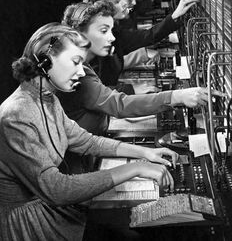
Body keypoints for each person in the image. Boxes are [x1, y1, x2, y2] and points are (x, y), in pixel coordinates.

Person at [0, 22, 181, 241]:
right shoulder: (15, 115)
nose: (80, 72)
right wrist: (134, 169)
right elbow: (55, 189)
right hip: (31, 224)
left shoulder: (48, 99)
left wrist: (145, 153)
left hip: (52, 209)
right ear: (44, 63)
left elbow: (86, 141)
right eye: (76, 62)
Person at [60, 1, 224, 137]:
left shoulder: (82, 64)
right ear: (79, 33)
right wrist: (177, 96)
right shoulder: (76, 72)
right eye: (103, 31)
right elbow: (118, 105)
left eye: (110, 30)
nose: (111, 37)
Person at [82, 0, 198, 87]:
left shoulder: (114, 34)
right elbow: (96, 94)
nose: (125, 4)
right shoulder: (88, 45)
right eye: (117, 1)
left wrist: (174, 16)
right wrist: (133, 90)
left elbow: (148, 36)